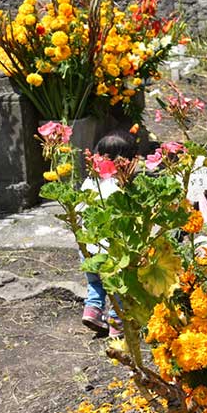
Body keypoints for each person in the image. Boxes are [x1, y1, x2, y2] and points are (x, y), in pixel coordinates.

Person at [80, 129, 137, 338]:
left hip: (89, 249)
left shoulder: (90, 181)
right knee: (118, 286)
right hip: (112, 249)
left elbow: (79, 211)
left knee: (95, 282)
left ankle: (92, 311)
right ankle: (117, 323)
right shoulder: (122, 186)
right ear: (129, 161)